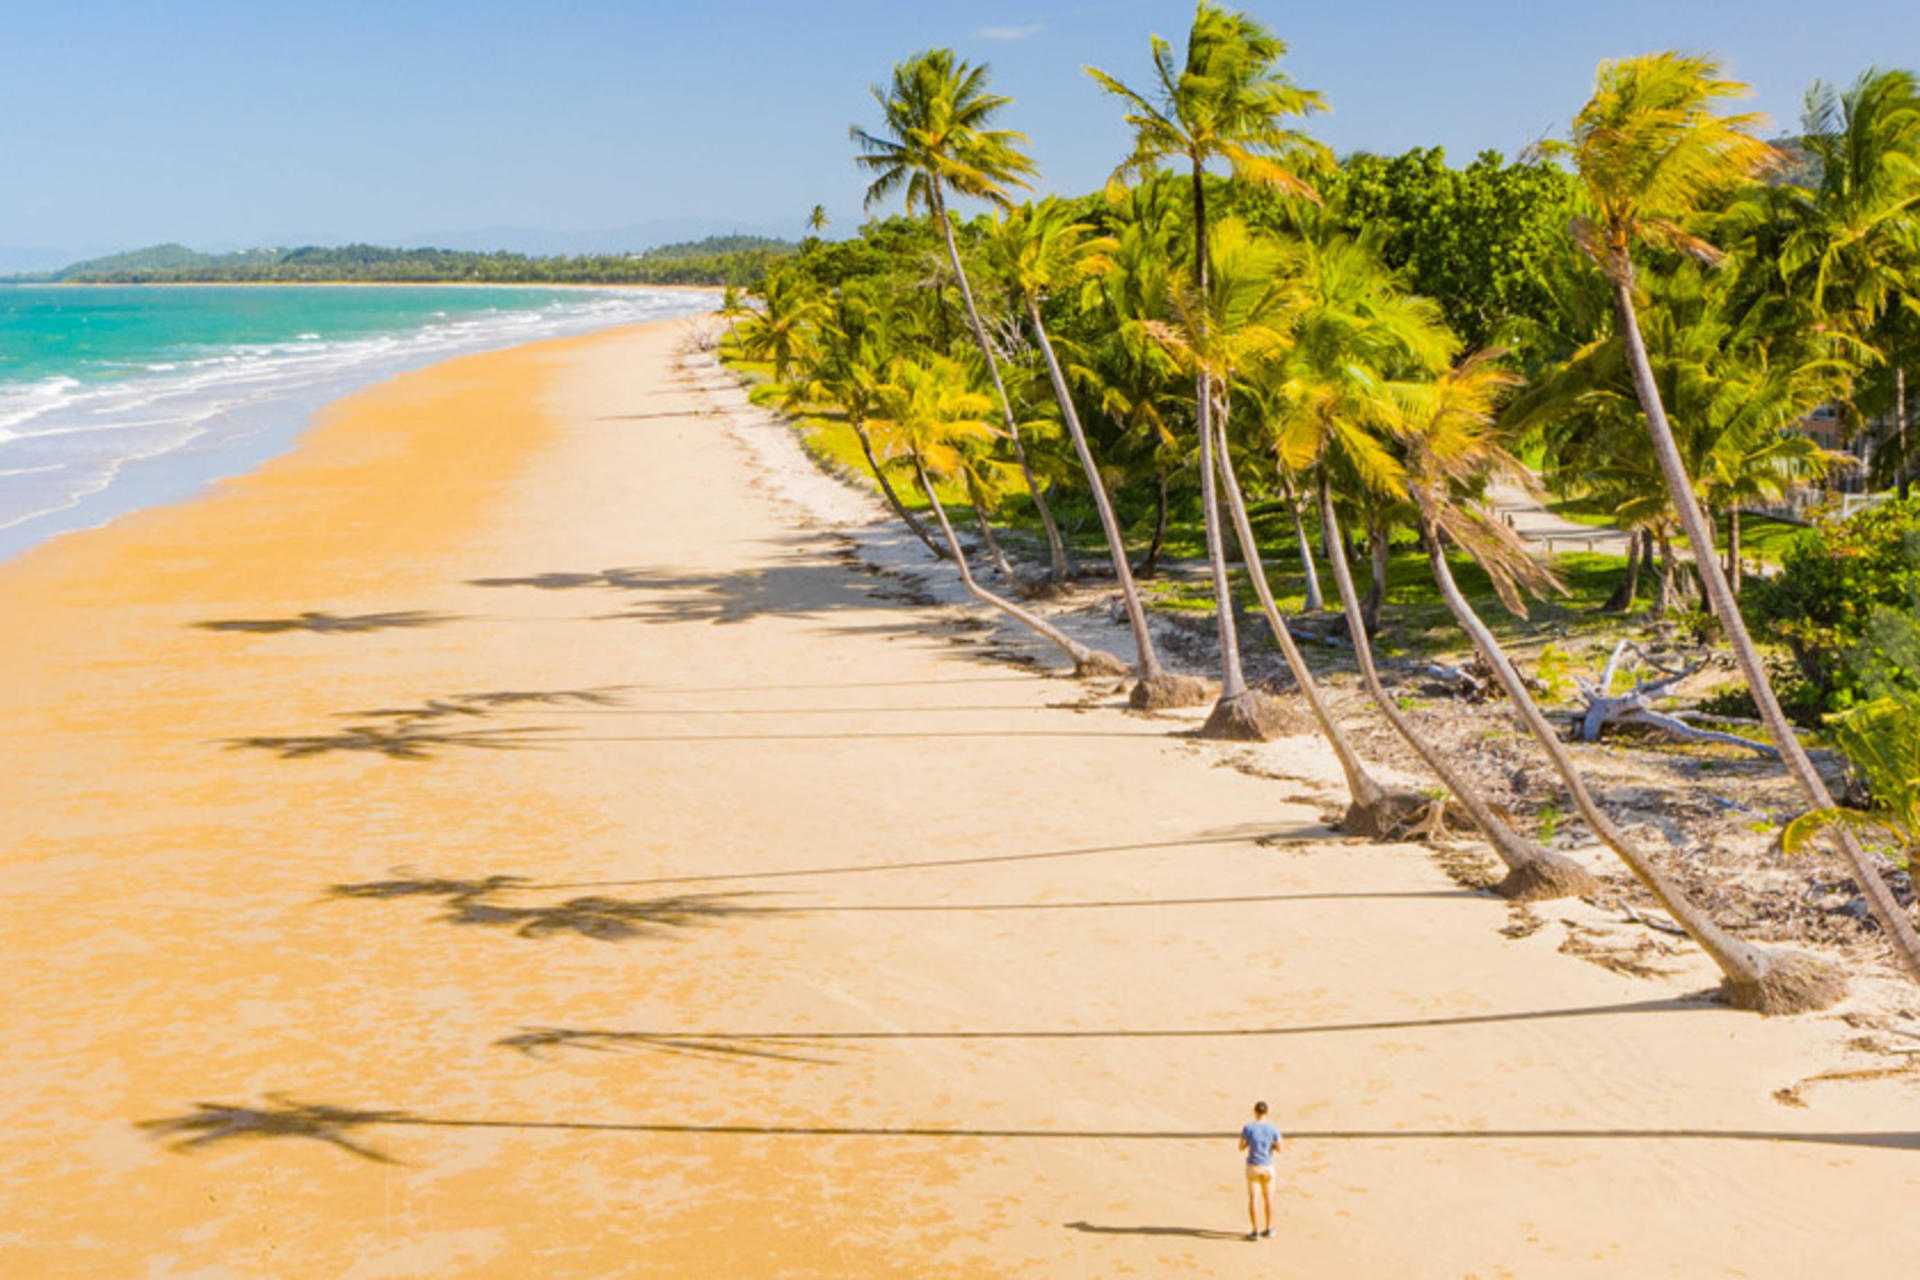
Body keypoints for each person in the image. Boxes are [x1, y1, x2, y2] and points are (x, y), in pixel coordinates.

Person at [1237, 1100, 1282, 1240]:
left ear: (1255, 1112)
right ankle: (1269, 1228)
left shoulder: (1248, 1128)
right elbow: (1279, 1148)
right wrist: (1270, 1147)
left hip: (1253, 1166)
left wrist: (1250, 1143)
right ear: (1267, 1113)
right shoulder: (1273, 1129)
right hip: (1268, 1166)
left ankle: (1255, 1230)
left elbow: (1241, 1146)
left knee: (1253, 1198)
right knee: (1268, 1198)